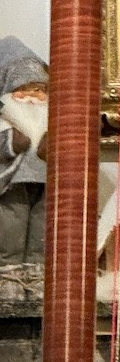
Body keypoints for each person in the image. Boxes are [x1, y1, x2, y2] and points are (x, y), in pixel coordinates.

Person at [0, 36, 48, 267]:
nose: (31, 96)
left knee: (42, 229)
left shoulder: (49, 119)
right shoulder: (5, 120)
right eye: (23, 90)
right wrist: (10, 142)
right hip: (12, 184)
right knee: (11, 229)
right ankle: (8, 274)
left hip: (46, 182)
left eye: (38, 90)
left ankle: (37, 273)